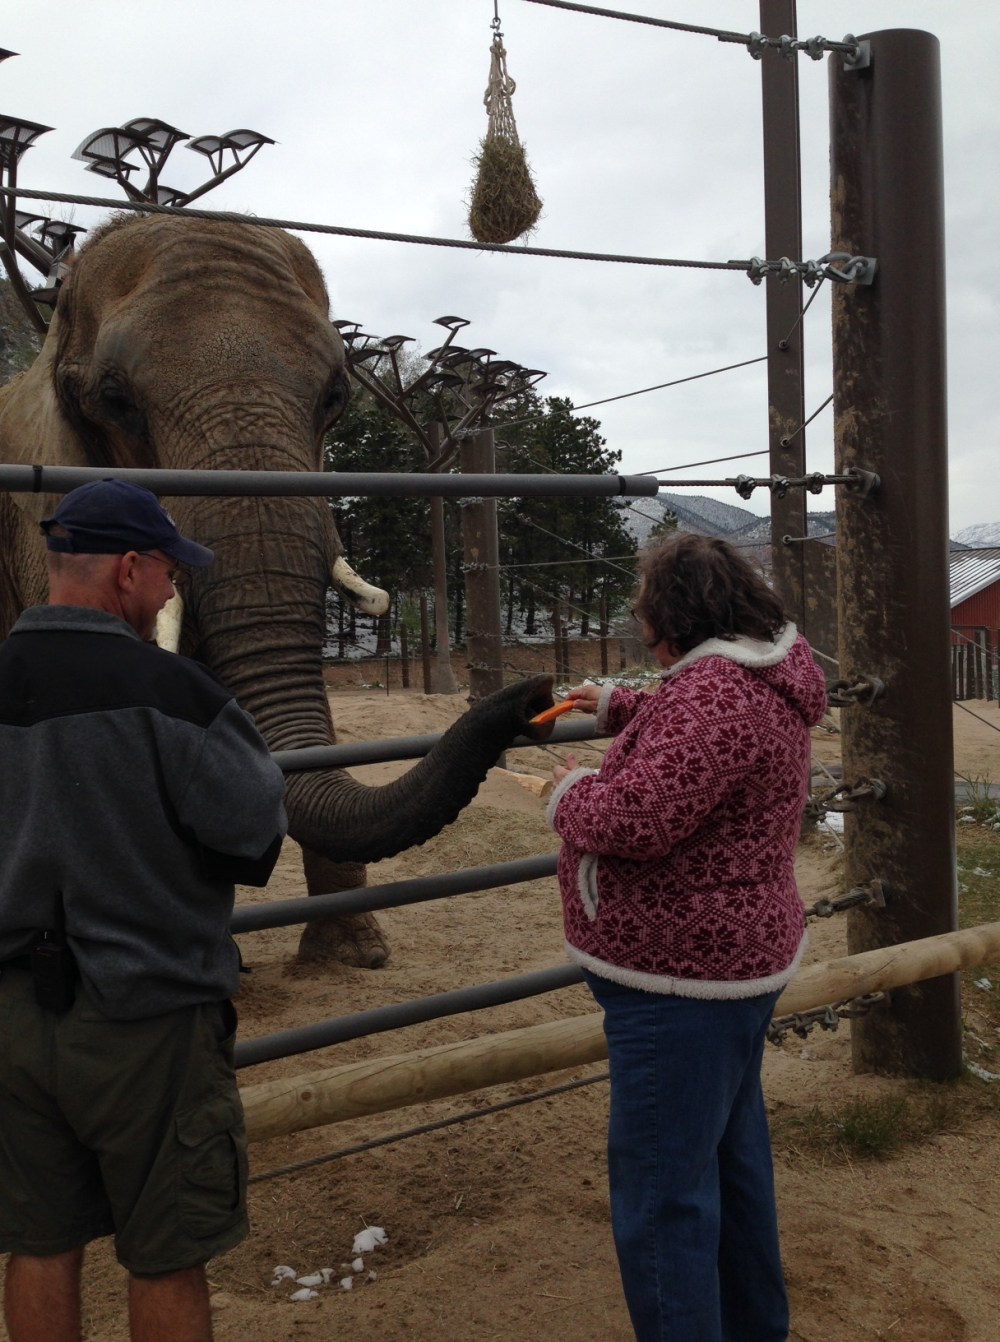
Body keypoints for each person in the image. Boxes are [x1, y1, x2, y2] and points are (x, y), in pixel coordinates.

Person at [0, 479, 288, 1342]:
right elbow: (252, 836)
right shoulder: (177, 696)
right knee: (165, 1252)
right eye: (168, 572)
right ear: (128, 570)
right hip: (149, 1018)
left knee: (37, 1242)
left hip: (13, 1017)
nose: (172, 591)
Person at [547, 532, 828, 1342]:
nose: (646, 636)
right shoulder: (757, 675)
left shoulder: (715, 695)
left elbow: (635, 816)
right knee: (732, 1169)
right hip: (735, 970)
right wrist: (622, 705)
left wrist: (568, 793)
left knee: (663, 1198)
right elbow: (703, 741)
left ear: (673, 618)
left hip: (681, 985)